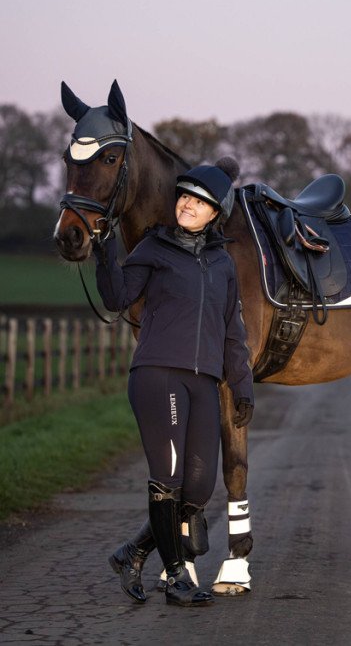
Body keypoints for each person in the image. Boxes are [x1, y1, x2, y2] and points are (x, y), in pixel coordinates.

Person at [93, 157, 254, 608]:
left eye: (199, 201)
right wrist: (106, 249)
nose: (187, 203)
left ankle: (134, 552)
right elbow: (117, 297)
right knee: (167, 479)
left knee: (199, 488)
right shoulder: (154, 247)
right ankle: (178, 576)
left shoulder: (222, 262)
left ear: (214, 214)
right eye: (184, 195)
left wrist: (241, 385)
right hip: (157, 373)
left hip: (205, 382)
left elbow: (232, 330)